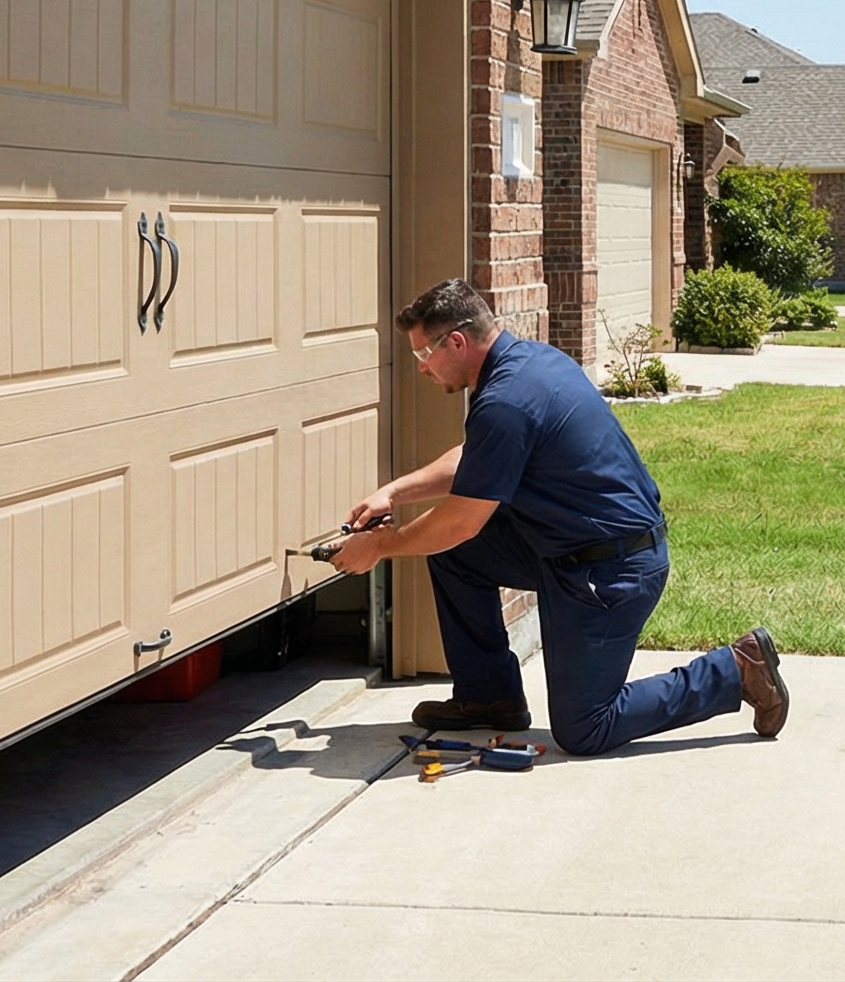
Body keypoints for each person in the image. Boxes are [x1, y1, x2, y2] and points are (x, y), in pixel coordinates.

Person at [329, 278, 788, 753]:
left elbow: (461, 520)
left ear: (458, 342)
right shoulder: (530, 362)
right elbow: (480, 458)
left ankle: (736, 669)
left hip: (609, 570)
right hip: (570, 547)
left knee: (586, 727)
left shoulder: (505, 399)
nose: (422, 370)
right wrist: (395, 493)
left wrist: (382, 545)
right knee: (458, 554)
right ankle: (489, 698)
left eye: (423, 355)